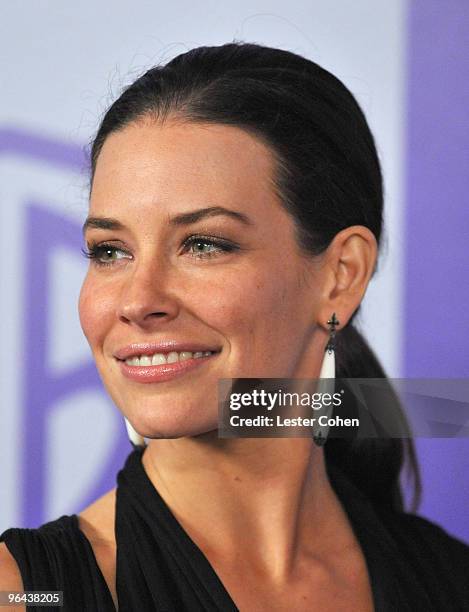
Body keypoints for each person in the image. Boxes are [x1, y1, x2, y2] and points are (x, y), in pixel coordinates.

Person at [1, 41, 468, 612]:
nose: (138, 300)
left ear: (341, 275)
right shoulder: (27, 593)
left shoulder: (449, 579)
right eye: (110, 251)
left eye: (203, 244)